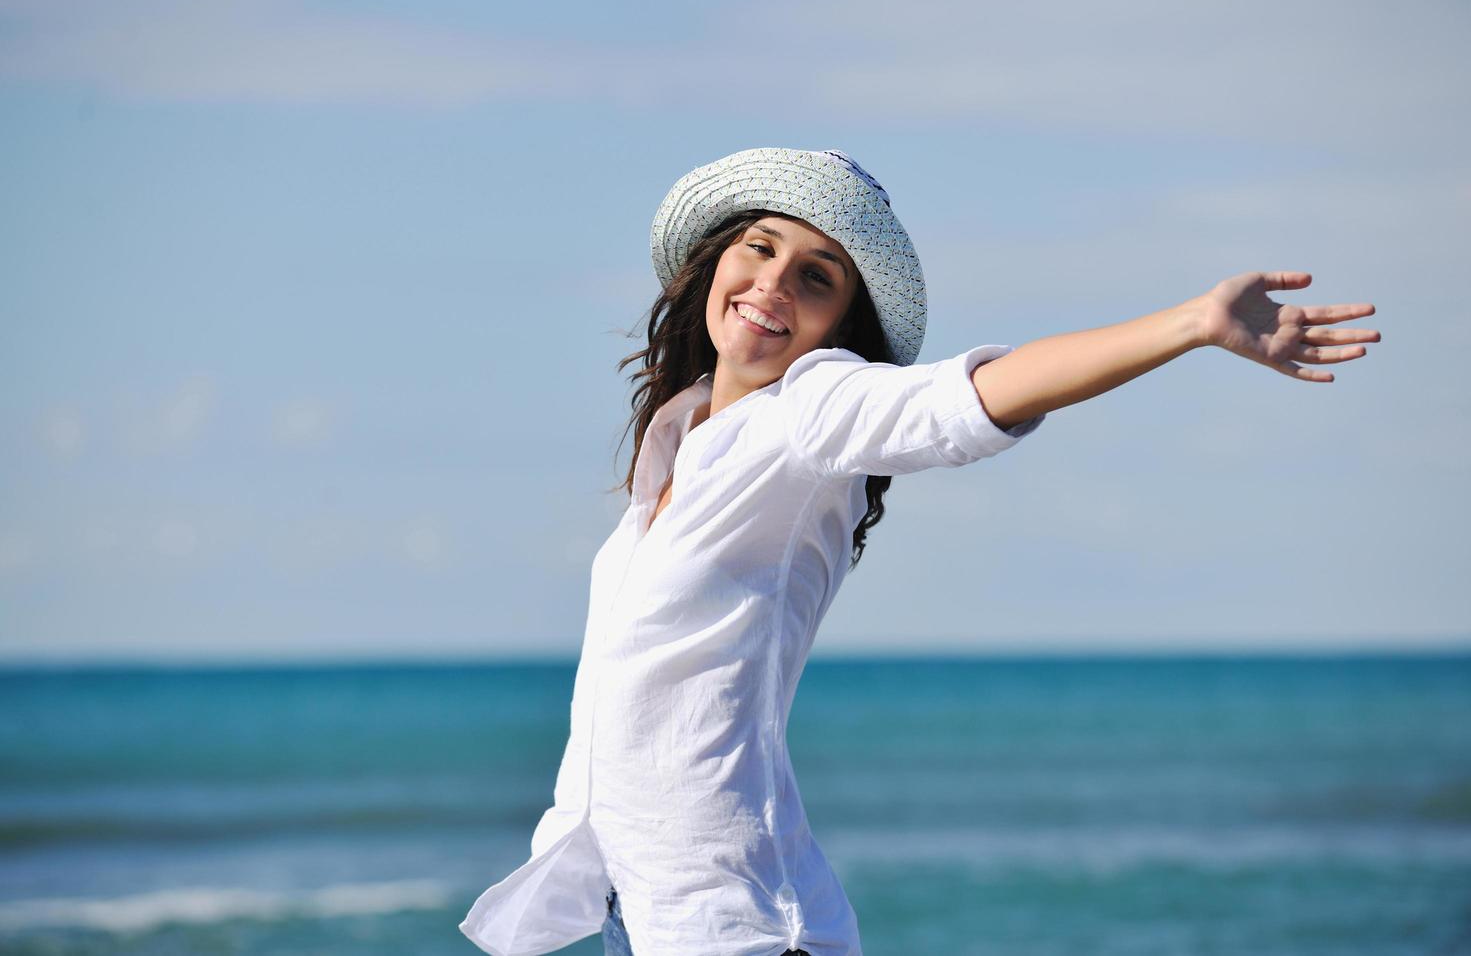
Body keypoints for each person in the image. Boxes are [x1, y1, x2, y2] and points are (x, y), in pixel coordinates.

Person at [458, 148, 1379, 956]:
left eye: (817, 276)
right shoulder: (680, 435)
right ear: (715, 261)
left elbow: (975, 396)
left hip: (735, 925)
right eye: (762, 247)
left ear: (836, 327)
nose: (775, 283)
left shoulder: (813, 409)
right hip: (644, 910)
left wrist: (1191, 324)